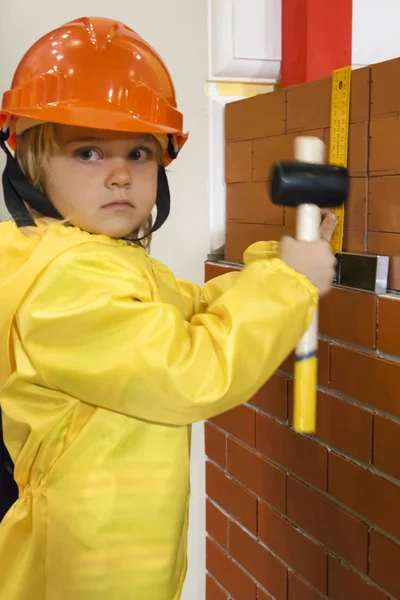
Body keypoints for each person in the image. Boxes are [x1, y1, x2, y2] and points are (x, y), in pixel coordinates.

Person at [0, 15, 337, 600]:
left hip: (116, 548)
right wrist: (288, 285)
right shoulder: (65, 283)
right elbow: (188, 371)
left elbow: (198, 309)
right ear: (31, 164)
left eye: (139, 152)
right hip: (87, 569)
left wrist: (280, 265)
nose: (119, 174)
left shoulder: (103, 262)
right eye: (86, 152)